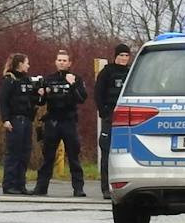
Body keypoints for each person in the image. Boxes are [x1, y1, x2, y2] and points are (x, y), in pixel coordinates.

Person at [34, 48, 88, 197]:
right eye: (59, 60)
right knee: (48, 156)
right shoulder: (49, 79)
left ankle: (78, 188)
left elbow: (82, 98)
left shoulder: (76, 78)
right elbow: (40, 102)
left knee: (73, 157)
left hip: (69, 121)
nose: (62, 63)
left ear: (69, 63)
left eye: (64, 60)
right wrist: (41, 94)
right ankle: (41, 187)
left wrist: (73, 85)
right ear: (55, 62)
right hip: (53, 122)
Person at [0, 53, 39, 195]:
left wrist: (39, 93)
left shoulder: (27, 80)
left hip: (27, 120)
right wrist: (5, 119)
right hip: (15, 120)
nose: (28, 65)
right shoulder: (10, 80)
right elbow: (3, 101)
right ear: (20, 64)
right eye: (26, 63)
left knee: (24, 153)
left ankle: (21, 184)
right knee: (13, 153)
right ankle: (9, 184)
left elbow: (33, 100)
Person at [94, 44, 131, 199]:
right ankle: (105, 188)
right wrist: (104, 113)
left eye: (126, 56)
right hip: (110, 118)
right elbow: (98, 93)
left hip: (127, 119)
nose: (123, 58)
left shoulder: (131, 73)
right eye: (121, 55)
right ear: (115, 56)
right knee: (106, 151)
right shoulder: (107, 72)